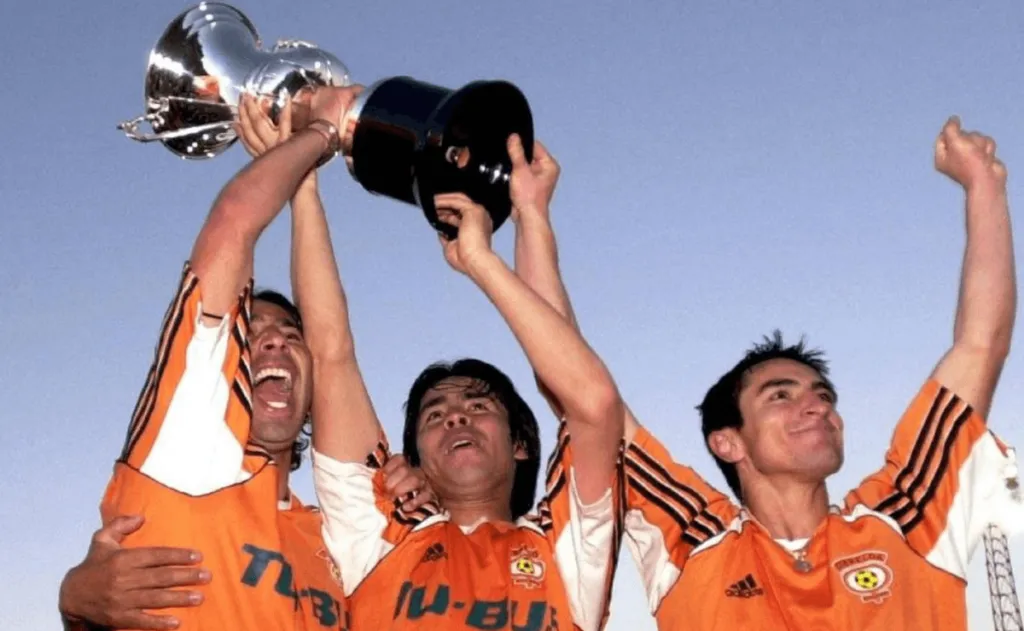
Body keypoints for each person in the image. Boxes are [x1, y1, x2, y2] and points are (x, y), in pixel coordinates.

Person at [512, 117, 1021, 629]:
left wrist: (984, 184)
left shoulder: (905, 516)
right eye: (781, 395)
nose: (817, 406)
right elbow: (575, 386)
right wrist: (531, 216)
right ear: (727, 442)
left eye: (824, 395)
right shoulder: (692, 540)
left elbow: (980, 346)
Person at [58, 88, 428, 631]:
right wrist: (323, 132)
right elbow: (234, 223)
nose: (276, 342)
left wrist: (306, 186)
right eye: (253, 332)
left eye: (290, 335)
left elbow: (333, 350)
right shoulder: (186, 450)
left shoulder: (336, 539)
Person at [299, 134, 626, 628]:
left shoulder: (567, 549)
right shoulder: (377, 535)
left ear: (520, 443)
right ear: (414, 459)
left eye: (478, 406)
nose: (455, 417)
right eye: (434, 416)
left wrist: (487, 255)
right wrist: (303, 180)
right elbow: (330, 357)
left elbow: (591, 401)